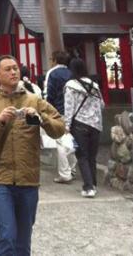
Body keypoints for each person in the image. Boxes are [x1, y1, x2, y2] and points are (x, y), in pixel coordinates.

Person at [0, 55, 65, 256]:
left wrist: (42, 118)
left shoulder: (34, 100)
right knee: (7, 236)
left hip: (28, 181)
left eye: (16, 68)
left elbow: (59, 128)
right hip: (0, 181)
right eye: (8, 69)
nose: (13, 72)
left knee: (23, 241)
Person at [64, 57, 104, 198]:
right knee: (92, 157)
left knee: (82, 156)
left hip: (79, 124)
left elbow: (69, 107)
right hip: (95, 125)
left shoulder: (70, 85)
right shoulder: (94, 85)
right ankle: (93, 184)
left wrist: (67, 125)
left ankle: (88, 187)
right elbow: (101, 105)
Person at [43, 50, 77, 183]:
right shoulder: (71, 73)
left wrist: (47, 111)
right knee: (71, 141)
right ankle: (72, 169)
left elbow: (49, 93)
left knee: (61, 142)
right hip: (73, 111)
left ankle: (64, 173)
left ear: (54, 60)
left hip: (58, 110)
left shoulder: (52, 73)